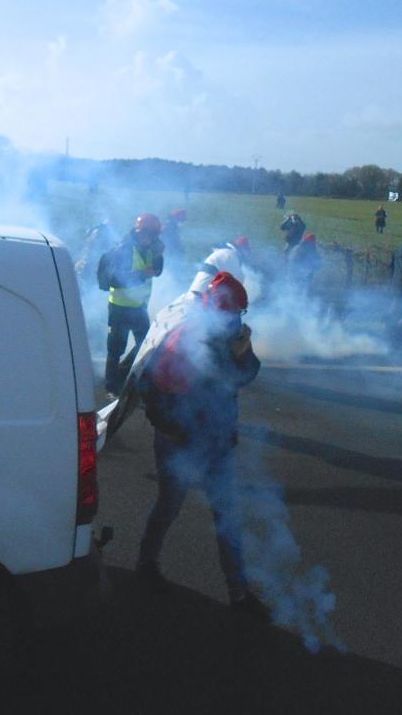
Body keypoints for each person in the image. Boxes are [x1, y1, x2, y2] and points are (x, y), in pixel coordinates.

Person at [134, 271, 270, 621]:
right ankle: (147, 563)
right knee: (173, 504)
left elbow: (249, 370)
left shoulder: (226, 336)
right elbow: (235, 376)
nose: (238, 320)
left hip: (213, 440)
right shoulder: (188, 340)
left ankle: (238, 594)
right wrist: (170, 428)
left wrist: (244, 354)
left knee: (223, 514)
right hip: (183, 440)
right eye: (234, 313)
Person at [101, 213, 164, 396]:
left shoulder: (150, 249)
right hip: (120, 307)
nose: (153, 240)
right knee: (115, 349)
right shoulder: (124, 250)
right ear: (141, 232)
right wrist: (143, 275)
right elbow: (116, 279)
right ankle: (111, 386)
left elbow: (157, 271)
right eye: (151, 235)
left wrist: (159, 257)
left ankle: (124, 375)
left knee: (145, 344)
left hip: (138, 308)